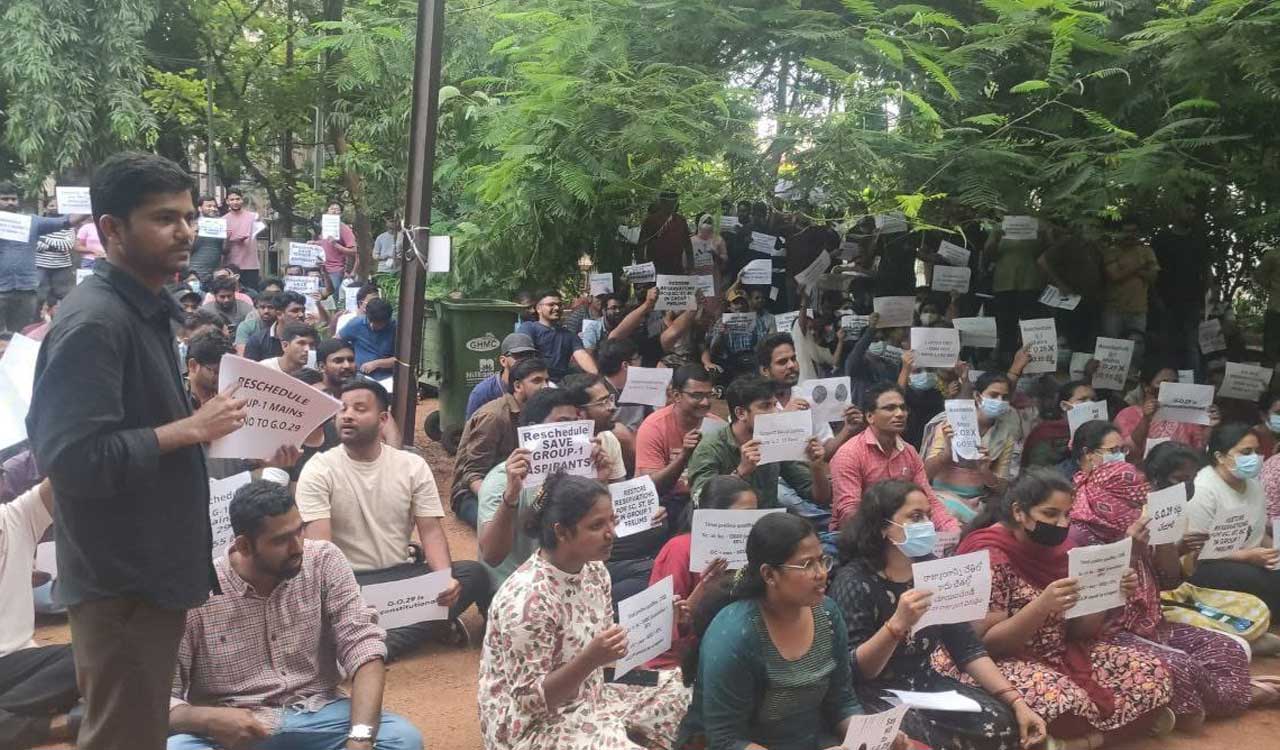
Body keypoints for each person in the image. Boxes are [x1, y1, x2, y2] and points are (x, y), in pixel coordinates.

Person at [27, 152, 248, 750]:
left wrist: (218, 435)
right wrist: (189, 430)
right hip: (121, 579)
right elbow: (72, 460)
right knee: (122, 736)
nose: (185, 232)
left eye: (188, 217)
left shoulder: (143, 308)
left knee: (140, 730)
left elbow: (144, 429)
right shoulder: (95, 323)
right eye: (164, 218)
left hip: (150, 571)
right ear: (112, 229)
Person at [167, 480, 422, 750]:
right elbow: (162, 698)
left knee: (402, 738)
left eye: (299, 531)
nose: (297, 547)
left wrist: (361, 737)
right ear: (244, 546)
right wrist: (209, 720)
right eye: (280, 540)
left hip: (319, 713)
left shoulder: (323, 561)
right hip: (235, 729)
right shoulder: (198, 592)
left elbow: (364, 648)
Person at [951, 470, 1174, 748]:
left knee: (1152, 673)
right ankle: (1112, 732)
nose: (1062, 523)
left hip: (1058, 652)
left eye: (1067, 515)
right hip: (997, 663)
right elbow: (985, 645)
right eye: (1050, 514)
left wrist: (1106, 593)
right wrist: (1040, 607)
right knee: (1061, 701)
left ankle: (1079, 742)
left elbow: (1079, 632)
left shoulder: (1064, 551)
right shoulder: (987, 553)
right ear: (1019, 512)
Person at [1068, 429, 1274, 728]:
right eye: (1131, 505)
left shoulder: (1141, 525)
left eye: (1140, 505)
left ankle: (1209, 702)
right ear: (1104, 500)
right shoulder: (1078, 537)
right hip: (1110, 633)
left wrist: (1163, 540)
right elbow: (1085, 623)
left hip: (1151, 623)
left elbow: (1169, 582)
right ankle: (1241, 696)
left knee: (1228, 649)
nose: (1137, 512)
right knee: (1180, 666)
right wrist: (1129, 552)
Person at [829, 480, 1047, 750]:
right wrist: (896, 626)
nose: (927, 525)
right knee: (920, 741)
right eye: (915, 517)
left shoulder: (932, 570)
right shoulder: (854, 580)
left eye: (928, 516)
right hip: (873, 694)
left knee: (1003, 724)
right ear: (884, 526)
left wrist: (1017, 702)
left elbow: (967, 649)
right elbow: (855, 671)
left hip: (925, 685)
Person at [478, 472, 690, 750]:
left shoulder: (594, 571)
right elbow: (529, 702)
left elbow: (609, 647)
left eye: (612, 520)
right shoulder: (528, 601)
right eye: (596, 525)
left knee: (677, 686)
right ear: (562, 532)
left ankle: (625, 736)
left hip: (591, 688)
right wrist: (590, 660)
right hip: (532, 724)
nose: (611, 533)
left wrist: (661, 621)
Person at [678, 512, 909, 750]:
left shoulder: (827, 614)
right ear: (769, 575)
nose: (821, 573)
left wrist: (873, 737)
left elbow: (842, 702)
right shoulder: (736, 635)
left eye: (822, 560)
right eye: (807, 565)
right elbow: (726, 741)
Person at [298, 381, 489, 659]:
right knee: (322, 610)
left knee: (471, 574)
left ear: (383, 419)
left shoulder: (411, 466)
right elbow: (321, 552)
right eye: (342, 409)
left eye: (359, 409)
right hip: (351, 584)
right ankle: (393, 640)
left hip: (402, 577)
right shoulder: (318, 469)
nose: (347, 415)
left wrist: (443, 579)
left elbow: (431, 532)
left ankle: (369, 646)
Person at [476, 388, 617, 590]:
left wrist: (599, 481)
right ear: (533, 430)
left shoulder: (578, 476)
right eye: (563, 423)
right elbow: (492, 556)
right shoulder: (500, 481)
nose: (572, 431)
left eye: (575, 423)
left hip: (568, 577)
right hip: (516, 587)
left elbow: (597, 537)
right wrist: (511, 496)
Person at [0, 480, 80, 749]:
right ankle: (54, 725)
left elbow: (65, 473)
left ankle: (9, 722)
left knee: (94, 655)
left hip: (21, 663)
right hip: (30, 684)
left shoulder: (17, 518)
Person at [644, 475, 749, 670]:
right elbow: (665, 625)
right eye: (744, 516)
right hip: (680, 659)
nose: (750, 524)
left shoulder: (750, 553)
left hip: (731, 649)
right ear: (714, 516)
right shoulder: (680, 550)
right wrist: (705, 586)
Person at [687, 375, 831, 510]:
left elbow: (820, 498)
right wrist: (740, 473)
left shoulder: (777, 441)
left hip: (767, 524)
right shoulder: (710, 447)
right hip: (729, 526)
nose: (775, 413)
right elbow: (700, 504)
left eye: (775, 405)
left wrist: (816, 467)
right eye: (765, 406)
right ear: (741, 413)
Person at [830, 382, 960, 533]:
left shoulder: (909, 452)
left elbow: (929, 500)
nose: (900, 414)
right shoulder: (849, 454)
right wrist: (890, 535)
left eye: (903, 408)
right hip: (861, 535)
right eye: (890, 408)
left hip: (906, 531)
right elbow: (849, 513)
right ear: (870, 417)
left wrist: (953, 532)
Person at [1186, 422, 1280, 612]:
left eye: (1256, 451)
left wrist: (1276, 551)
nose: (1254, 458)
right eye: (1246, 452)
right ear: (1220, 456)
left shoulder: (1253, 486)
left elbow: (1258, 532)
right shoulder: (1203, 488)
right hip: (1211, 564)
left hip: (1254, 558)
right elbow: (1197, 548)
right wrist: (1246, 557)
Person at [451, 357, 551, 528]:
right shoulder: (494, 417)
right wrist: (503, 501)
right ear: (518, 386)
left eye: (547, 380)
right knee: (510, 528)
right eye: (537, 381)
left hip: (521, 486)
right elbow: (472, 474)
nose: (545, 386)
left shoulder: (540, 412)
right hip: (474, 493)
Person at [921, 371, 1019, 523]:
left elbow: (1001, 488)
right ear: (977, 396)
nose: (999, 401)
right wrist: (946, 454)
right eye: (994, 395)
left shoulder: (1005, 435)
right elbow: (924, 474)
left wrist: (985, 470)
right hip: (941, 497)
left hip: (979, 503)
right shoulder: (950, 424)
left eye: (1004, 397)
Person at [758, 331, 865, 460]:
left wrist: (847, 429)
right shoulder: (754, 402)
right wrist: (784, 418)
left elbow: (825, 452)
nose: (791, 365)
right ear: (765, 370)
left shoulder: (806, 397)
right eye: (782, 362)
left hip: (809, 471)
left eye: (793, 358)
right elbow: (758, 453)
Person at [635, 365, 722, 506]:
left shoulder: (717, 426)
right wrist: (684, 456)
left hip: (705, 500)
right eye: (697, 396)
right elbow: (650, 487)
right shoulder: (654, 427)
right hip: (665, 501)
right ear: (676, 396)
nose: (705, 402)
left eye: (709, 395)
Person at [0, 181, 79, 332]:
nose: (10, 202)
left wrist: (87, 206)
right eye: (5, 199)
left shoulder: (32, 221)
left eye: (13, 199)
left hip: (26, 289)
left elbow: (67, 221)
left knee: (22, 334)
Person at [1113, 364, 1218, 453]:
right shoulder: (1127, 415)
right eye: (1164, 383)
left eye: (1175, 382)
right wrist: (1145, 419)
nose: (1171, 387)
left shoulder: (1186, 416)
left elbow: (1199, 450)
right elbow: (1127, 451)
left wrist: (1209, 426)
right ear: (1146, 386)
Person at [1099, 220, 1159, 366]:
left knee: (1137, 350)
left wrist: (1126, 269)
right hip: (1113, 309)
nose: (1130, 235)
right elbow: (1114, 276)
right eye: (1126, 231)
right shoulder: (1111, 251)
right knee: (1111, 350)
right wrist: (1140, 266)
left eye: (1133, 232)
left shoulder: (1147, 251)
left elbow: (1153, 277)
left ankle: (1134, 377)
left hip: (1138, 309)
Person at [517, 289, 597, 380]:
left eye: (559, 305)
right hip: (536, 380)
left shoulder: (569, 335)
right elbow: (523, 359)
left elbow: (582, 356)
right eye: (551, 304)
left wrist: (599, 377)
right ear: (538, 308)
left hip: (562, 383)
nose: (557, 308)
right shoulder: (528, 328)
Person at [1022, 380, 1096, 470]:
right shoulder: (1046, 432)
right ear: (1064, 406)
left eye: (1093, 400)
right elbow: (1038, 469)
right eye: (1082, 400)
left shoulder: (1101, 430)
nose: (1090, 404)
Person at [465, 332, 538, 420]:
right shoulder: (483, 393)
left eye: (530, 356)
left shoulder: (539, 386)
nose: (525, 361)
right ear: (503, 361)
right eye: (519, 356)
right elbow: (473, 426)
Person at [596, 337, 652, 432]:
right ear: (625, 365)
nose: (640, 362)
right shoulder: (598, 393)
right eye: (637, 358)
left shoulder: (645, 386)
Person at [33, 203, 80, 313]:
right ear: (45, 208)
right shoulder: (39, 224)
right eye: (51, 205)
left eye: (57, 205)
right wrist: (56, 245)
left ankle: (59, 319)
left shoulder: (68, 226)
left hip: (62, 267)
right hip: (41, 266)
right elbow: (35, 245)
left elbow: (67, 245)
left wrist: (44, 240)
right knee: (39, 296)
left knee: (65, 296)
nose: (54, 207)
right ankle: (37, 320)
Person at [638, 191, 693, 275]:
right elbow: (641, 244)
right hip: (656, 265)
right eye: (667, 202)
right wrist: (641, 266)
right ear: (661, 203)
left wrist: (690, 265)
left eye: (673, 202)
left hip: (676, 264)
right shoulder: (651, 220)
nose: (670, 205)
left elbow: (687, 244)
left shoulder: (681, 220)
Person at [341, 297, 397, 378]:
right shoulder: (356, 324)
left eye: (380, 324)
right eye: (372, 322)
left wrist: (377, 363)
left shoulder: (396, 329)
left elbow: (402, 360)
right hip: (359, 374)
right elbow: (336, 341)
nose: (374, 326)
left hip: (387, 377)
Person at [221, 188, 260, 290]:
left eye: (237, 199)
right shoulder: (223, 220)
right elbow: (222, 247)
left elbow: (260, 229)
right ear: (227, 201)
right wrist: (232, 240)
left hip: (251, 265)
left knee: (252, 294)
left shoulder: (254, 217)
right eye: (232, 200)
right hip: (231, 265)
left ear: (242, 200)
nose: (235, 202)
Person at [318, 201, 357, 298]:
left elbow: (354, 251)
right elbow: (325, 244)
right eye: (331, 209)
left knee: (335, 300)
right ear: (327, 212)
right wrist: (315, 243)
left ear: (341, 214)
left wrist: (336, 244)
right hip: (323, 269)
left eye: (337, 210)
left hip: (336, 270)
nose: (334, 211)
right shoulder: (325, 228)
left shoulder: (344, 229)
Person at [188, 195, 224, 282]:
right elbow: (187, 249)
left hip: (214, 274)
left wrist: (227, 236)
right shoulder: (192, 225)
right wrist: (193, 234)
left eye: (215, 206)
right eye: (209, 206)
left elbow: (225, 250)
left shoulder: (221, 225)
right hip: (194, 274)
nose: (213, 208)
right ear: (200, 208)